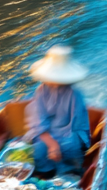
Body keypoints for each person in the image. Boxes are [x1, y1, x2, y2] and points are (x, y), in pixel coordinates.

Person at [23, 46, 90, 180]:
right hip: (47, 131)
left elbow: (76, 126)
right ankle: (44, 175)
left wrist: (58, 145)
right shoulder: (41, 90)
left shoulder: (75, 95)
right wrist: (51, 143)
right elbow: (39, 120)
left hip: (70, 133)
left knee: (69, 146)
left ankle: (69, 175)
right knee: (39, 148)